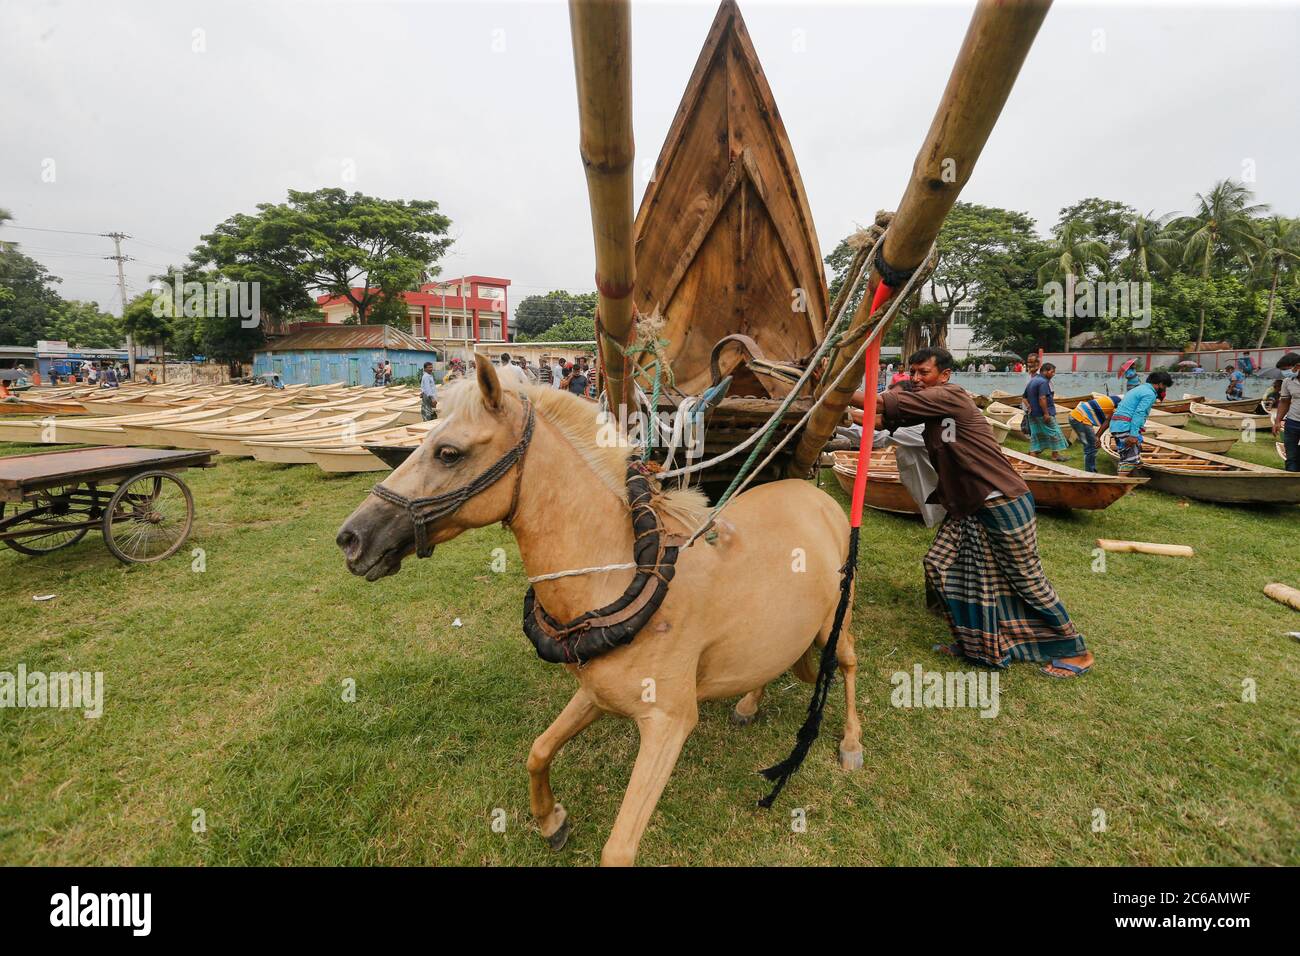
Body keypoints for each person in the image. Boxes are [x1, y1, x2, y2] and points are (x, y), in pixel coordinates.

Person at [874, 347, 1093, 678]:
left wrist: (833, 389)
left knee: (1026, 578)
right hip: (969, 507)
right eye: (913, 373)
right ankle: (979, 643)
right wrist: (833, 409)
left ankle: (1075, 649)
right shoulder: (932, 405)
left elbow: (878, 403)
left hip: (1001, 500)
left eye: (924, 373)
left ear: (944, 375)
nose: (916, 379)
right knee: (947, 565)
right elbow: (876, 418)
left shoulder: (949, 396)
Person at [1109, 371, 1173, 475]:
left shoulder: (1139, 389)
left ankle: (1133, 477)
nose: (1164, 388)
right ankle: (1120, 483)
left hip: (1117, 425)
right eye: (1165, 386)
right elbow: (1139, 413)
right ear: (1161, 384)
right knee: (1129, 460)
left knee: (1130, 455)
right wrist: (1134, 435)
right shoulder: (1150, 394)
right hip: (1125, 426)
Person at [1023, 363, 1068, 462]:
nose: (1053, 374)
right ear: (1045, 371)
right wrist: (1046, 413)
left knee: (1036, 433)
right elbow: (1042, 398)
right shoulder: (1043, 382)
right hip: (1043, 413)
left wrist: (1029, 407)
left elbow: (1024, 397)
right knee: (1055, 432)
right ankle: (1055, 455)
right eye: (1052, 372)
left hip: (1033, 414)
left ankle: (1033, 453)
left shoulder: (1033, 380)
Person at [1068, 394, 1119, 473]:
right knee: (1092, 446)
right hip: (1081, 418)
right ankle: (1090, 473)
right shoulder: (1124, 403)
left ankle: (1090, 471)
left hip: (1076, 416)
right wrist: (1098, 436)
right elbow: (1109, 420)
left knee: (1090, 446)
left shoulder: (1122, 399)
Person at [1273, 352, 1300, 473]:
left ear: (1297, 366)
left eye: (1285, 369)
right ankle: (1291, 482)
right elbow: (1284, 402)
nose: (1284, 372)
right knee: (1291, 456)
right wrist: (1277, 421)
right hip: (1292, 423)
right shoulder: (1287, 382)